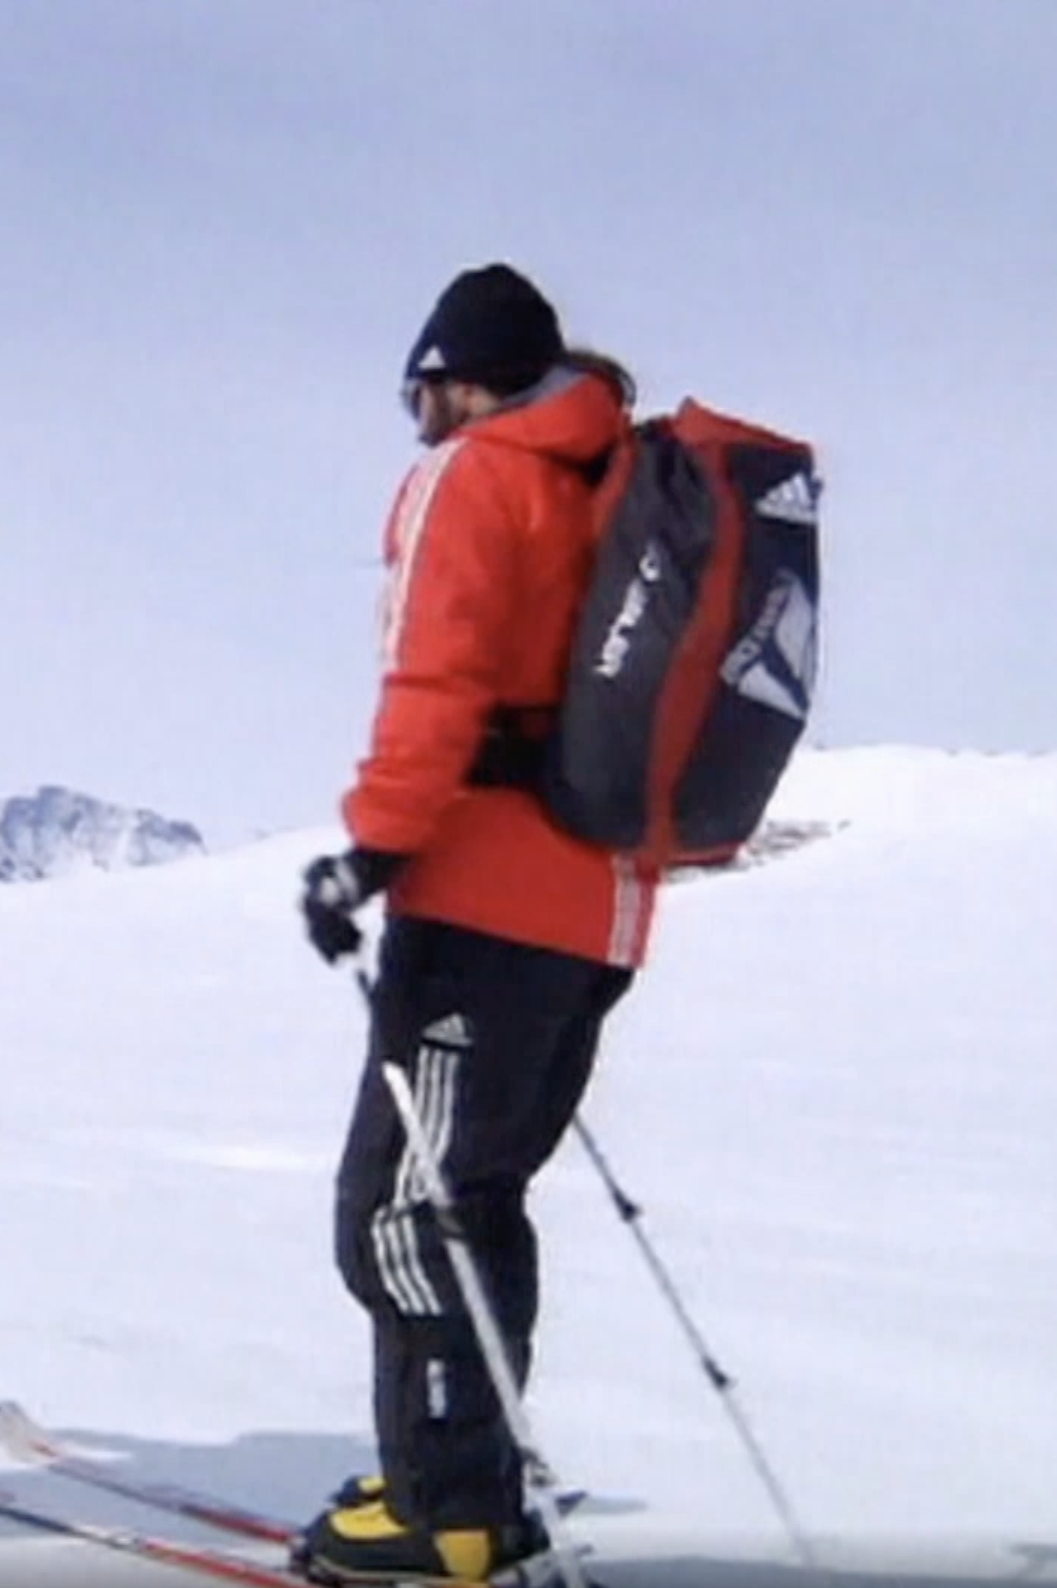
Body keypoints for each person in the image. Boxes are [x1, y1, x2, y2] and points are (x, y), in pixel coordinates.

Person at [293, 263, 646, 1584]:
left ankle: (446, 1518)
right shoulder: (606, 475)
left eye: (418, 393)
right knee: (471, 1199)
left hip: (482, 899)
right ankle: (467, 1480)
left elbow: (435, 675)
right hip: (594, 911)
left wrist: (369, 854)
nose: (418, 422)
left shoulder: (479, 474)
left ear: (458, 380)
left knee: (399, 1207)